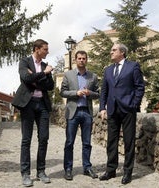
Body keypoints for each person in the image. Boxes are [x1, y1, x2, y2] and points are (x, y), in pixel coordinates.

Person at [99, 43, 145, 185]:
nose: (110, 52)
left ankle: (127, 172)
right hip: (112, 110)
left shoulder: (133, 66)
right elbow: (104, 91)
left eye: (113, 50)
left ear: (122, 52)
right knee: (111, 141)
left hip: (128, 110)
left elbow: (140, 87)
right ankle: (111, 170)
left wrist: (134, 104)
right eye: (111, 50)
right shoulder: (108, 70)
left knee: (128, 141)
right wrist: (102, 108)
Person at [12, 39, 54, 187]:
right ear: (37, 49)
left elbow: (50, 86)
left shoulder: (44, 65)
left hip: (42, 104)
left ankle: (41, 171)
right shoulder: (24, 62)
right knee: (26, 140)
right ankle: (25, 174)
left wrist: (37, 78)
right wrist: (44, 74)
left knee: (44, 138)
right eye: (45, 49)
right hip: (27, 104)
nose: (47, 52)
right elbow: (26, 78)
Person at [60, 50, 100, 181]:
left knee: (87, 142)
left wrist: (90, 93)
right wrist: (75, 93)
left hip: (87, 112)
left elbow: (98, 93)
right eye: (79, 58)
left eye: (84, 58)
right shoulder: (68, 75)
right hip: (73, 112)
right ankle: (68, 169)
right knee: (69, 142)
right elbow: (63, 92)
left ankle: (87, 167)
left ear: (86, 60)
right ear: (75, 60)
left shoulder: (92, 76)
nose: (82, 60)